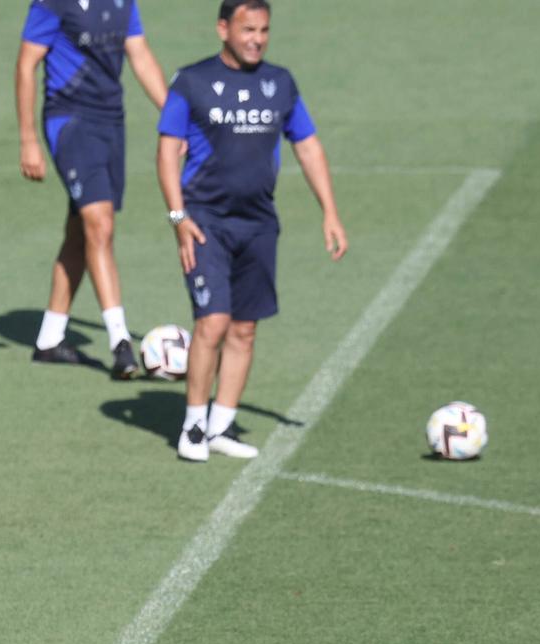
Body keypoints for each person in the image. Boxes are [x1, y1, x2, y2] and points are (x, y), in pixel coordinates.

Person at [157, 0, 345, 463]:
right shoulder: (191, 82)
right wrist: (179, 219)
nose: (257, 39)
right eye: (247, 29)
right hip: (206, 222)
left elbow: (308, 146)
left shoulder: (280, 83)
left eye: (263, 30)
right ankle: (194, 427)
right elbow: (165, 154)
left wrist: (330, 212)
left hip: (259, 223)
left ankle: (221, 426)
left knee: (244, 329)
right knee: (213, 322)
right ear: (223, 29)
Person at [17, 0, 170, 377]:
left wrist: (175, 119)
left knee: (81, 230)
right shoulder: (52, 3)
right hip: (69, 121)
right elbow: (26, 65)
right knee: (99, 224)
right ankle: (121, 343)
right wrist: (28, 140)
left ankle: (49, 339)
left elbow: (140, 55)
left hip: (110, 124)